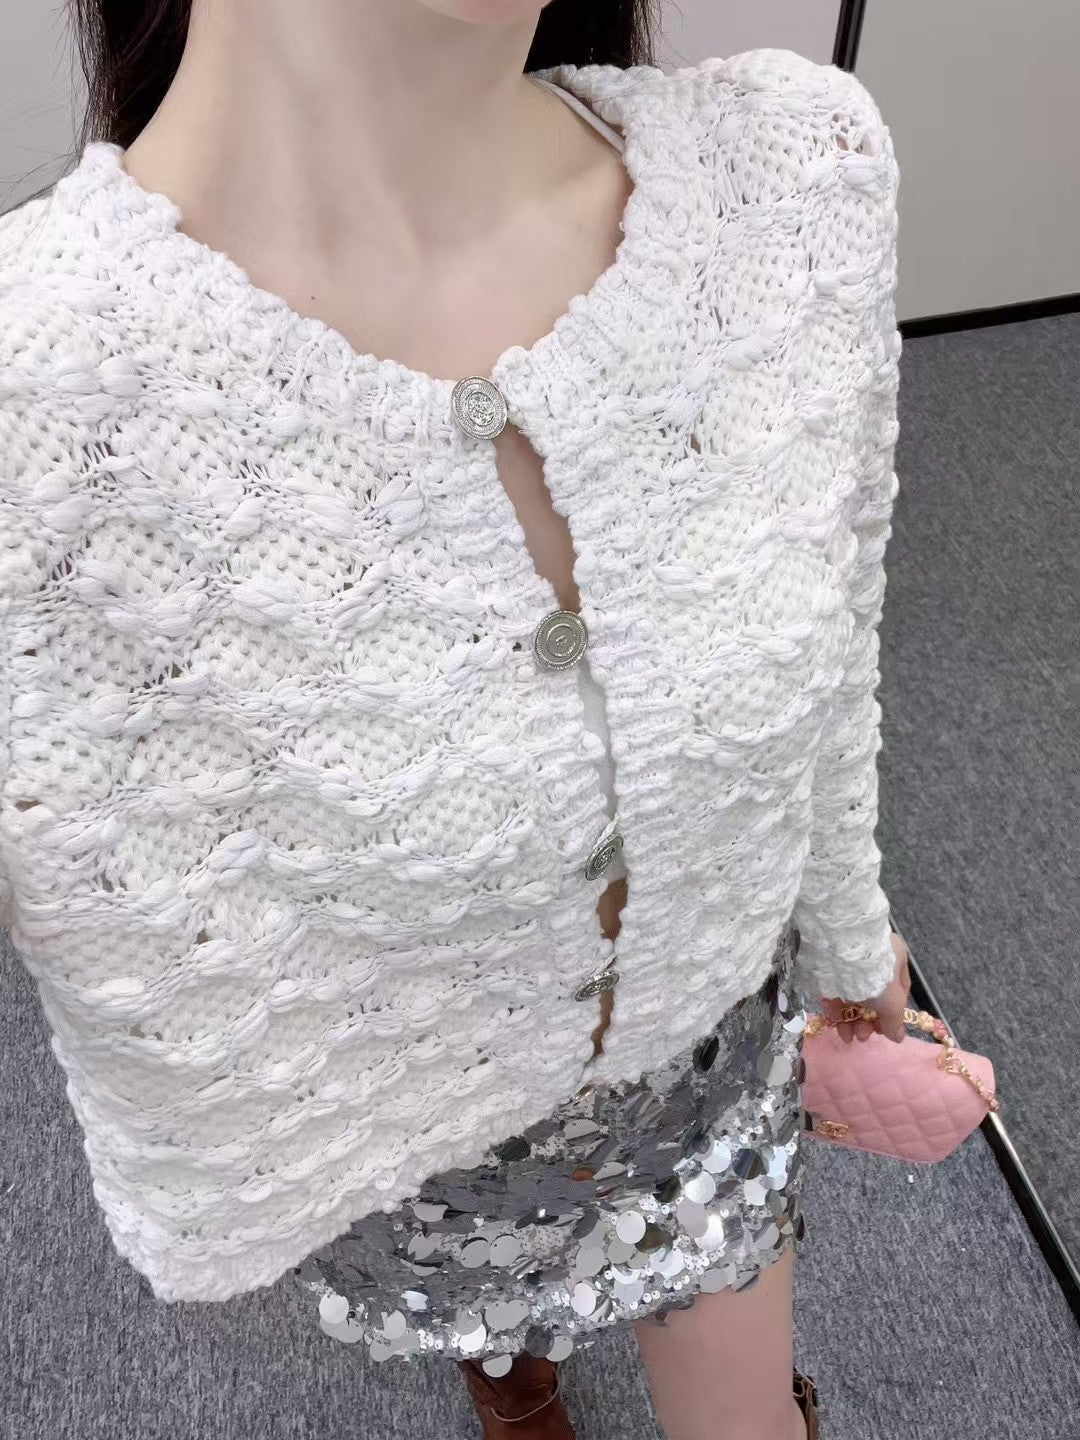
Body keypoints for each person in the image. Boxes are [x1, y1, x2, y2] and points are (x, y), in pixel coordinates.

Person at [0, 3, 912, 1438]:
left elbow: (840, 628)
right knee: (493, 1333)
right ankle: (510, 1372)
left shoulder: (793, 180)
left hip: (711, 1078)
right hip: (408, 1174)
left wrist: (854, 927)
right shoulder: (38, 412)